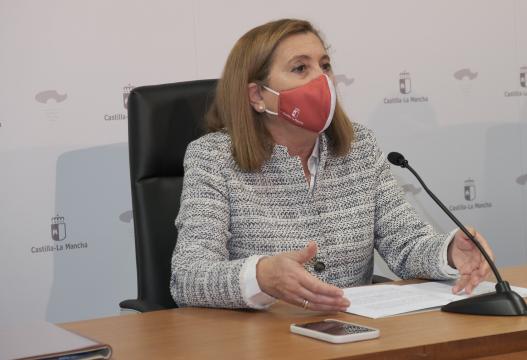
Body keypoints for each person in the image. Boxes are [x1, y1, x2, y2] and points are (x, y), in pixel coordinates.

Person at [170, 19, 494, 312]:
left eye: (324, 65)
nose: (321, 80)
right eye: (300, 68)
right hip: (265, 341)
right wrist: (261, 275)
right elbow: (188, 274)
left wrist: (449, 251)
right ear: (257, 95)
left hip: (357, 334)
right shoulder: (213, 157)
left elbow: (405, 244)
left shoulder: (359, 147)